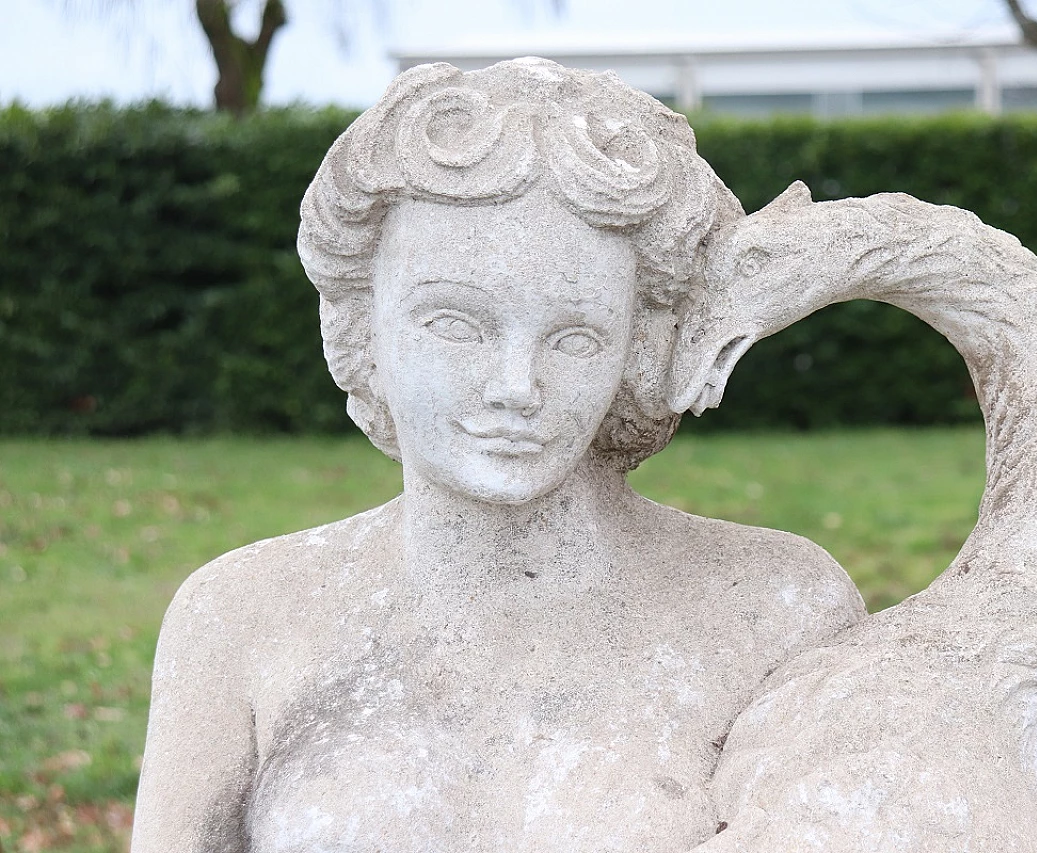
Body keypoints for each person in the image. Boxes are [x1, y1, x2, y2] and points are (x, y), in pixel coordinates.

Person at [131, 58, 865, 853]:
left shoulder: (778, 610)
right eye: (455, 323)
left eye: (576, 336)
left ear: (637, 349)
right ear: (361, 323)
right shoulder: (240, 616)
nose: (518, 387)